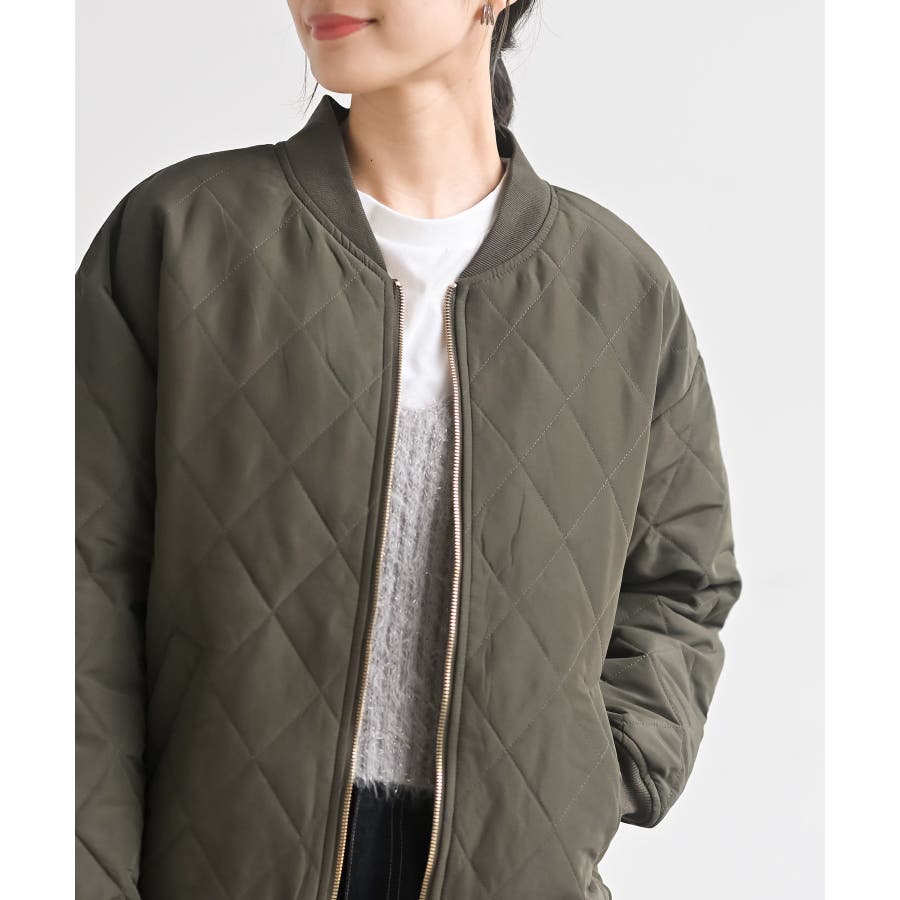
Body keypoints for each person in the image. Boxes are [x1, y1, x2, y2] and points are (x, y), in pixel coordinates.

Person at [75, 3, 744, 900]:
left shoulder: (621, 294)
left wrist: (593, 773)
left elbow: (682, 582)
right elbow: (73, 587)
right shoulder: (181, 238)